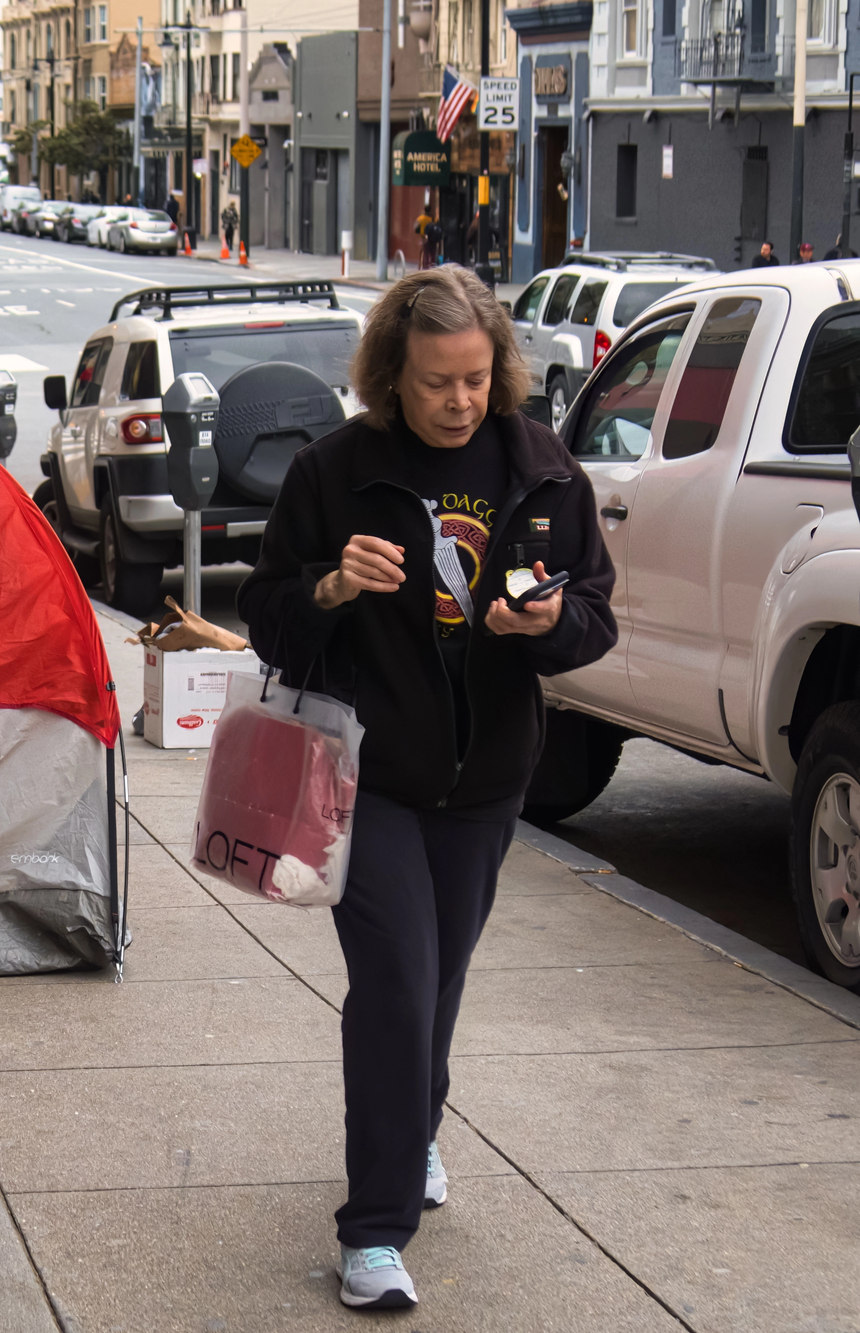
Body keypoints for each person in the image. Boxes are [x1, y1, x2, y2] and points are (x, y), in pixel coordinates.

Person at [238, 265, 616, 1312]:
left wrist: (547, 626)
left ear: (496, 365)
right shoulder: (332, 473)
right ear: (388, 377)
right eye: (433, 382)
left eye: (473, 377)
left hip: (489, 778)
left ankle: (417, 1126)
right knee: (397, 987)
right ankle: (373, 1231)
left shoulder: (541, 470)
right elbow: (267, 614)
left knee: (438, 981)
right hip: (369, 776)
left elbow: (592, 610)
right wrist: (327, 586)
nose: (456, 400)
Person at [414, 203, 436, 269]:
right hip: (432, 238)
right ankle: (433, 267)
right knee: (432, 254)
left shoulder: (421, 218)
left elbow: (415, 226)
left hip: (424, 238)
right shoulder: (433, 219)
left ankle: (425, 268)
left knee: (425, 254)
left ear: (424, 210)